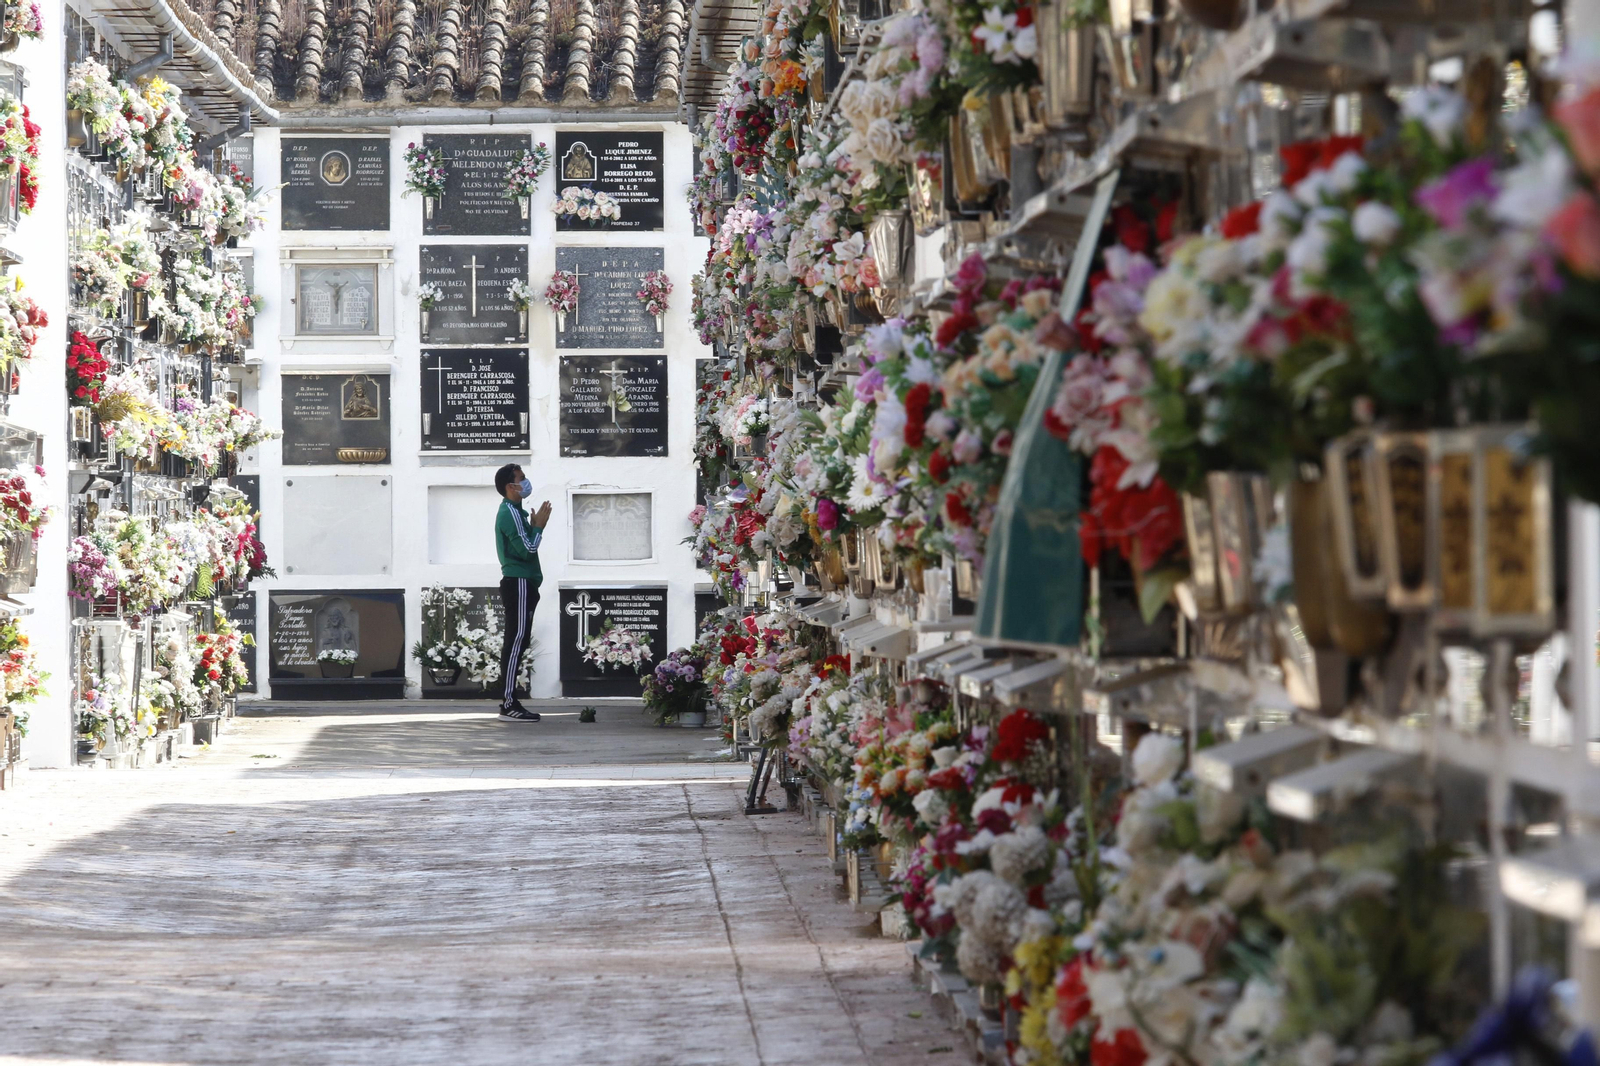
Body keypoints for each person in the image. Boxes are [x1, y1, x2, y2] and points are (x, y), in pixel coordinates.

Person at [493, 464, 551, 722]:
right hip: (518, 582)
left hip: (524, 583)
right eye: (522, 479)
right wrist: (539, 527)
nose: (526, 483)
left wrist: (534, 524)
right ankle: (508, 703)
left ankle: (510, 701)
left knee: (519, 641)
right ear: (510, 486)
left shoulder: (516, 511)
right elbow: (528, 549)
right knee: (516, 641)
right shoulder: (509, 512)